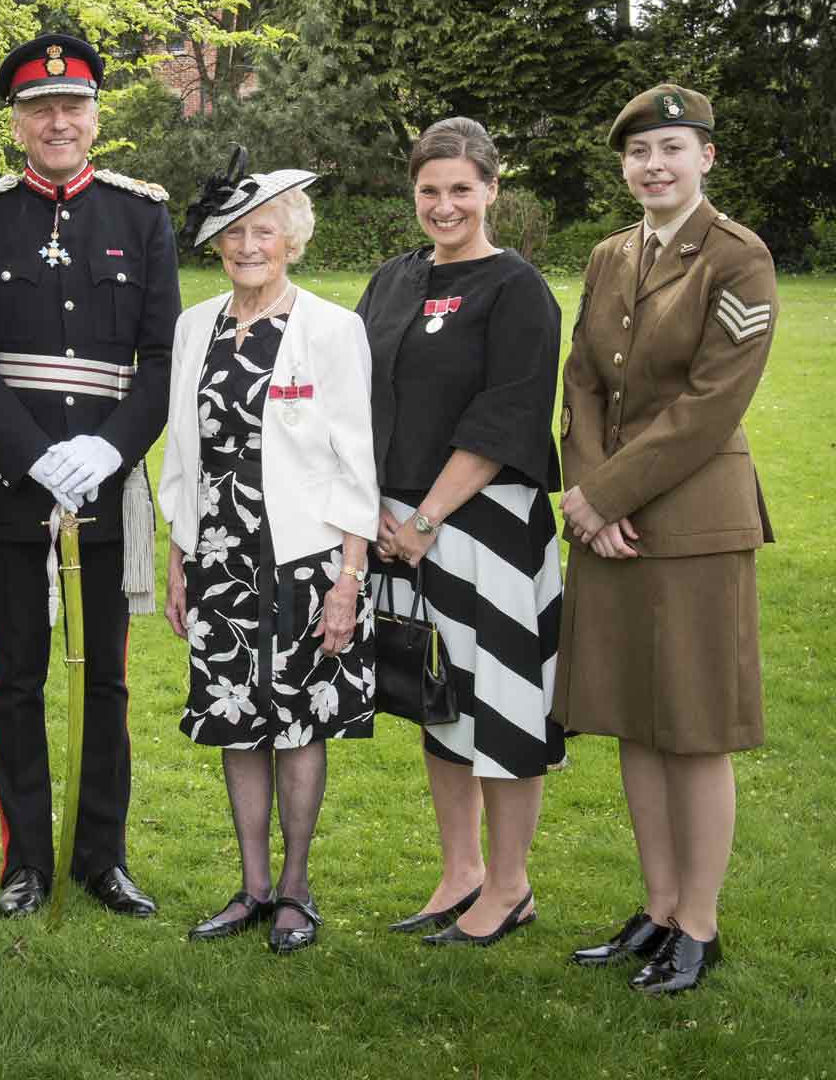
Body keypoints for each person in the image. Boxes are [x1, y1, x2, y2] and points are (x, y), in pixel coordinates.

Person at [0, 32, 180, 919]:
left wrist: (110, 449)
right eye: (40, 109)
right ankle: (26, 864)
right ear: (16, 124)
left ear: (96, 117)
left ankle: (101, 858)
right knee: (17, 681)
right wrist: (34, 454)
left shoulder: (141, 216)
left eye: (72, 106)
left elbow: (162, 360)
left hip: (107, 488)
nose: (57, 120)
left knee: (107, 682)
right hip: (10, 490)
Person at [555, 84, 776, 995]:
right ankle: (656, 910)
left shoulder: (739, 258)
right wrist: (587, 494)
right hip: (611, 525)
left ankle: (701, 924)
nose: (655, 166)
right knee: (633, 721)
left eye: (672, 150)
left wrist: (602, 495)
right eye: (640, 153)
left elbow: (708, 405)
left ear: (706, 159)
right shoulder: (613, 255)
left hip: (690, 522)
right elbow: (583, 382)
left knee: (693, 727)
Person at [160, 153, 378, 954]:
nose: (248, 245)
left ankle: (295, 887)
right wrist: (180, 556)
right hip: (219, 554)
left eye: (264, 231)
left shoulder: (330, 329)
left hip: (306, 558)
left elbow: (358, 464)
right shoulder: (196, 326)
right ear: (217, 246)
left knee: (297, 723)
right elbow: (183, 456)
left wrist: (349, 579)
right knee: (233, 718)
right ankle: (251, 885)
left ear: (292, 239)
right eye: (233, 234)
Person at [355, 116, 563, 947]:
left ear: (492, 190)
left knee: (502, 707)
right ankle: (460, 873)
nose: (444, 206)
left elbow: (507, 413)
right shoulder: (393, 279)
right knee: (438, 700)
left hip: (481, 524)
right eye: (430, 191)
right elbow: (353, 393)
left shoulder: (516, 289)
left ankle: (511, 886)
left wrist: (426, 518)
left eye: (461, 190)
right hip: (395, 524)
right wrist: (370, 502)